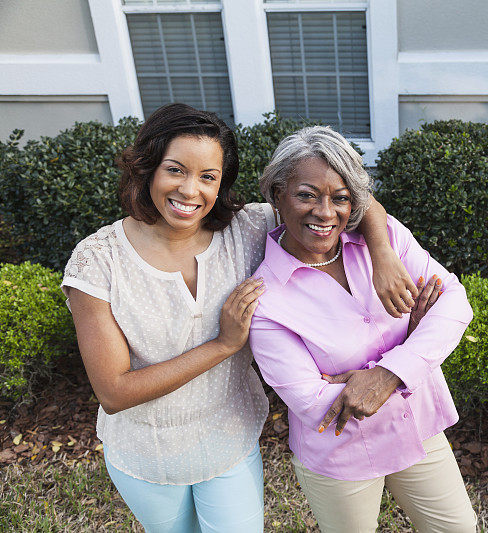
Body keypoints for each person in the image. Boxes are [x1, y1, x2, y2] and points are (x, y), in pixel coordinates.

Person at [60, 104, 418, 532]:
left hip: (229, 439)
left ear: (221, 183)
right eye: (176, 170)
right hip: (146, 451)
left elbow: (348, 196)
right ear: (148, 169)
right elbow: (114, 392)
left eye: (208, 177)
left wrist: (381, 254)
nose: (190, 190)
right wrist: (223, 345)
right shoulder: (97, 261)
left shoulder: (245, 229)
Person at [250, 126, 478, 533]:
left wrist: (389, 374)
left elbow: (454, 304)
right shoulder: (265, 300)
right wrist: (413, 343)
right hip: (341, 453)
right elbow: (312, 399)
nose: (325, 212)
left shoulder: (385, 240)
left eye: (340, 198)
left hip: (418, 427)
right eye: (307, 195)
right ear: (277, 194)